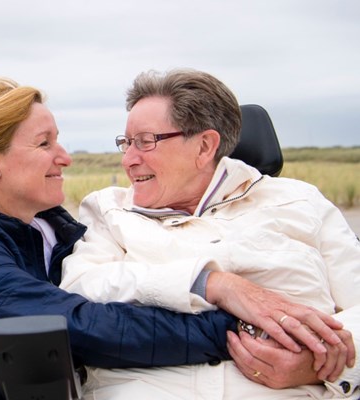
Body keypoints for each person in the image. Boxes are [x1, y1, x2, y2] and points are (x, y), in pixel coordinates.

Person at [0, 78, 339, 400]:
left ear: (205, 147)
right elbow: (82, 324)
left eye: (146, 141)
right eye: (45, 144)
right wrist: (247, 322)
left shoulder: (53, 227)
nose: (64, 157)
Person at [60, 68, 359, 399]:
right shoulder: (109, 210)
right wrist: (209, 283)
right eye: (126, 143)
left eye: (145, 142)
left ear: (204, 146)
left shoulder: (301, 201)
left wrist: (327, 367)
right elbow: (78, 287)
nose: (128, 160)